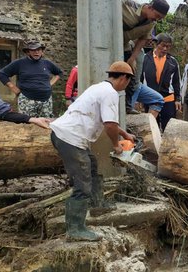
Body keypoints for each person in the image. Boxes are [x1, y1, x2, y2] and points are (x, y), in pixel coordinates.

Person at [49, 61, 136, 242]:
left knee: (92, 166)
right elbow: (109, 125)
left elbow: (109, 121)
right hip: (69, 138)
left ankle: (98, 204)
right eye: (128, 81)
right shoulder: (110, 93)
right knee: (83, 183)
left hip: (69, 136)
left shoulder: (100, 88)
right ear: (123, 78)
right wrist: (116, 145)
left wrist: (125, 134)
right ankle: (75, 229)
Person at [122, 0, 169, 116]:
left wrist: (132, 58)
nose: (157, 20)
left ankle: (127, 107)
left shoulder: (150, 23)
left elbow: (143, 39)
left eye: (160, 18)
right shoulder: (127, 4)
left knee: (129, 73)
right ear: (149, 7)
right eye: (157, 15)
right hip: (108, 43)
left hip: (124, 46)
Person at [0, 40, 63, 118]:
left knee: (46, 125)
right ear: (28, 52)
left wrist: (50, 84)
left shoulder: (47, 63)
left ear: (42, 51)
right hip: (27, 100)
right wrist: (13, 88)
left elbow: (59, 73)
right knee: (27, 125)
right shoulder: (19, 63)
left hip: (46, 101)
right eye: (33, 50)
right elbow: (2, 74)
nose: (36, 52)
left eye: (39, 50)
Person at [140, 33, 181, 131]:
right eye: (163, 45)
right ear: (156, 44)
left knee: (169, 127)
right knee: (152, 127)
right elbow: (140, 79)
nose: (165, 49)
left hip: (168, 99)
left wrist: (178, 99)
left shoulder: (172, 62)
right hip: (150, 99)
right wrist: (139, 99)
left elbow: (176, 82)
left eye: (168, 46)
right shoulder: (145, 59)